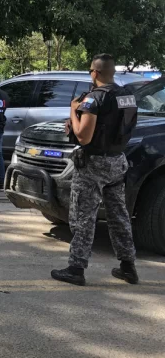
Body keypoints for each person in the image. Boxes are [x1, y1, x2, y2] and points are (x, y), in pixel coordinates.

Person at [51, 54, 138, 286]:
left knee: (83, 216)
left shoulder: (93, 99)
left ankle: (76, 268)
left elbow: (83, 136)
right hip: (117, 161)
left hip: (93, 164)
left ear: (95, 73)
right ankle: (128, 266)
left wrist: (73, 111)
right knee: (119, 215)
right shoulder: (128, 96)